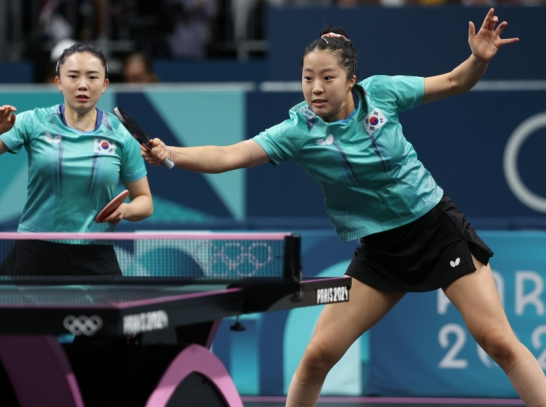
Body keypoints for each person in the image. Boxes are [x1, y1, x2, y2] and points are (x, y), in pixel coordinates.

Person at [141, 9, 546, 406]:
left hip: (436, 230)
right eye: (307, 78)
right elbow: (230, 155)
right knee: (318, 355)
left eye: (327, 77)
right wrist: (170, 152)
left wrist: (478, 59)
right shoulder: (298, 131)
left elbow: (456, 81)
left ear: (351, 80)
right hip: (381, 251)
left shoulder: (382, 93)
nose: (316, 88)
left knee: (497, 341)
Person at [0, 43, 153, 276]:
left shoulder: (121, 135)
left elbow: (145, 201)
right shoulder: (32, 121)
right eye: (73, 76)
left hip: (95, 252)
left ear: (104, 85)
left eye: (92, 77)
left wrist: (125, 210)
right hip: (34, 251)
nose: (83, 85)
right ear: (59, 82)